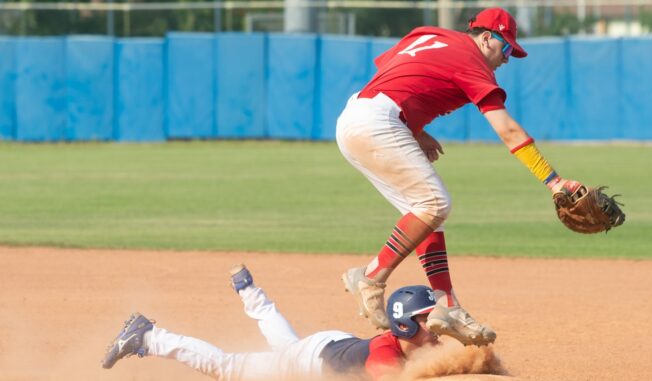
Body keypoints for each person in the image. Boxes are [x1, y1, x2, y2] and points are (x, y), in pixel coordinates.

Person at [337, 7, 580, 346]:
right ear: (486, 38)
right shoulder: (474, 63)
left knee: (425, 217)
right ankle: (371, 277)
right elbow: (507, 130)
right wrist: (553, 181)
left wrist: (412, 128)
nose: (507, 59)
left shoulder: (429, 34)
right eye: (506, 48)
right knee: (435, 203)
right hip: (378, 123)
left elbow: (391, 72)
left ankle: (446, 305)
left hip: (355, 116)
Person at [101, 264, 441, 381]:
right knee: (227, 369)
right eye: (427, 319)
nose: (436, 326)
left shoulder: (401, 345)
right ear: (405, 326)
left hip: (328, 347)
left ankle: (249, 291)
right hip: (310, 361)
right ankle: (148, 337)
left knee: (286, 348)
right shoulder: (385, 357)